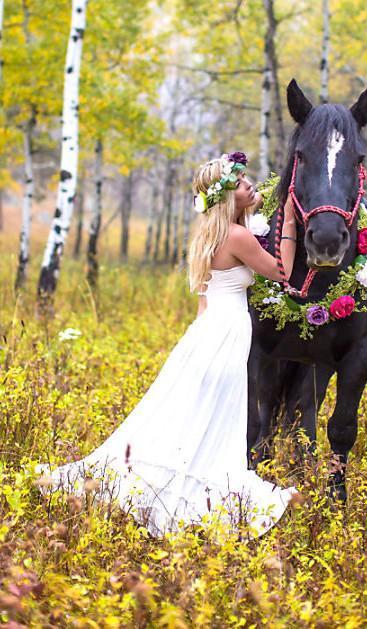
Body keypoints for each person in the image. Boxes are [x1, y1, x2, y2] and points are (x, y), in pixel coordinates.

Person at [36, 152, 298, 539]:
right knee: (216, 418)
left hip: (208, 332)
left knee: (191, 415)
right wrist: (289, 218)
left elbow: (204, 298)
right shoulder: (238, 236)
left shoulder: (210, 233)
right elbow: (282, 271)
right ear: (227, 196)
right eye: (243, 183)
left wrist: (255, 206)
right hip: (224, 337)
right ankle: (191, 493)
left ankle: (174, 482)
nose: (251, 186)